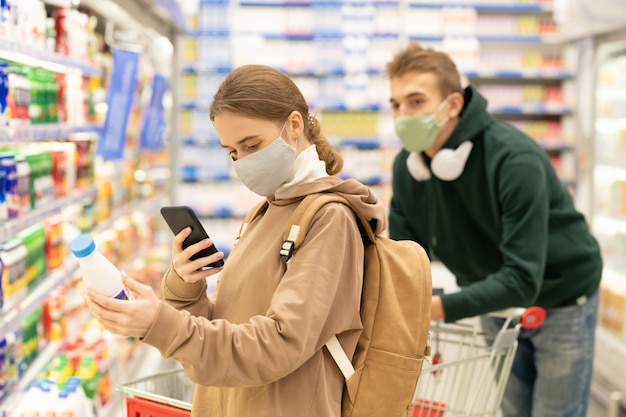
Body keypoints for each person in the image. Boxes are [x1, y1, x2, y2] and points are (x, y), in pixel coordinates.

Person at [84, 64, 388, 417]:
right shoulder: (264, 212)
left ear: (294, 125)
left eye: (251, 144)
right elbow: (220, 337)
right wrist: (186, 287)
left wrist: (159, 325)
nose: (243, 162)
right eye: (232, 152)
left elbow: (280, 343)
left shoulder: (330, 219)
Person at [385, 42, 602, 417]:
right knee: (514, 409)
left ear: (452, 105)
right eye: (396, 104)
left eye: (416, 102)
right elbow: (406, 259)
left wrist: (430, 310)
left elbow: (521, 279)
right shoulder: (409, 168)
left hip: (564, 294)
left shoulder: (514, 159)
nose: (402, 115)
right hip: (492, 294)